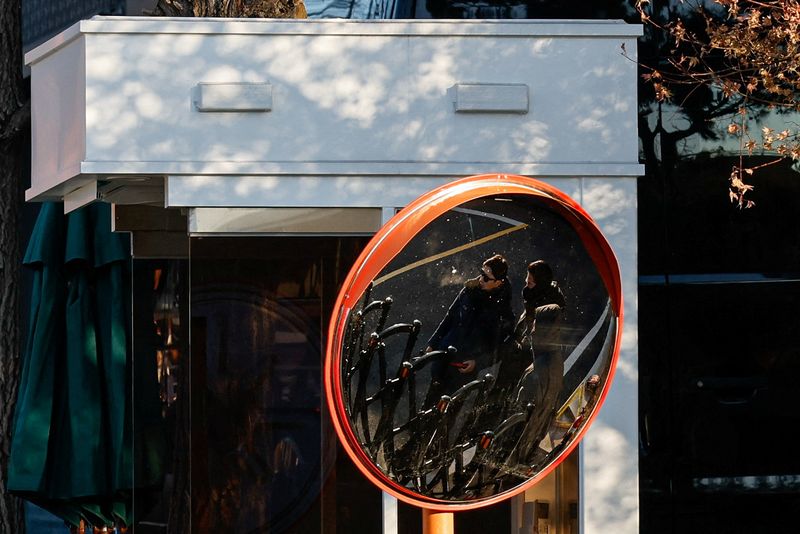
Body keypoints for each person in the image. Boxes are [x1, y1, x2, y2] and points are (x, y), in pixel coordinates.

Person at [424, 254, 515, 403]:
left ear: (499, 282)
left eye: (486, 278)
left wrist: (478, 363)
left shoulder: (503, 313)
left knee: (449, 410)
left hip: (463, 371)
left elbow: (499, 348)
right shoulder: (469, 290)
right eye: (481, 273)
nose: (480, 280)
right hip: (444, 358)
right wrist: (433, 343)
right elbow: (450, 317)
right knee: (429, 400)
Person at [508, 260, 567, 466]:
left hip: (540, 362)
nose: (526, 284)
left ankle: (523, 453)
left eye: (531, 282)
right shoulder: (532, 297)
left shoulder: (549, 308)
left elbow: (540, 338)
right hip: (528, 356)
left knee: (534, 412)